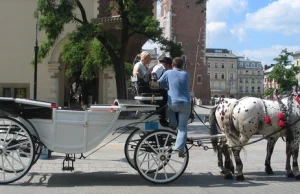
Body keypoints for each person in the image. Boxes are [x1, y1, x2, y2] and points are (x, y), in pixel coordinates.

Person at [157, 57, 191, 157]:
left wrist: (167, 86)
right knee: (183, 128)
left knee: (170, 106)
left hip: (174, 103)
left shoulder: (168, 73)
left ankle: (172, 123)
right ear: (183, 66)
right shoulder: (186, 74)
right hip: (185, 104)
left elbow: (158, 84)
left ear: (172, 65)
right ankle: (180, 148)